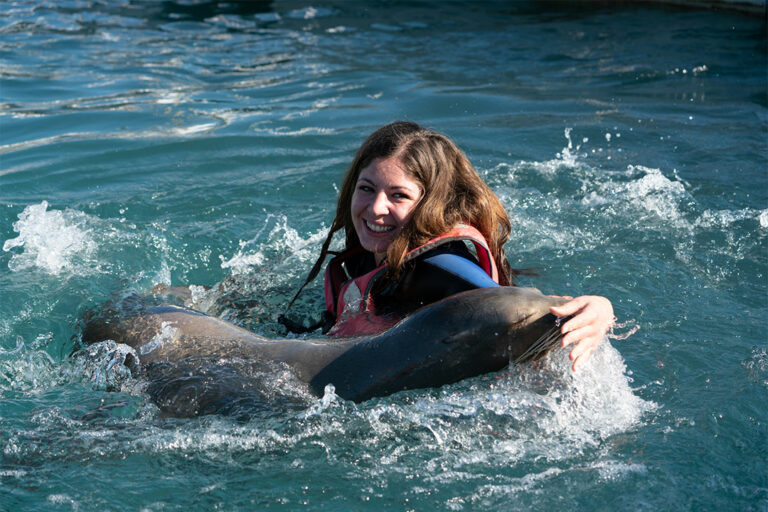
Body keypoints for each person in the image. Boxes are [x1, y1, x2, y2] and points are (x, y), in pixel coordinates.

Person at [284, 121, 613, 371]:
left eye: (399, 195)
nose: (375, 208)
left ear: (432, 205)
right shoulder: (363, 262)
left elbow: (516, 308)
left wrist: (598, 308)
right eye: (367, 189)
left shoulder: (439, 265)